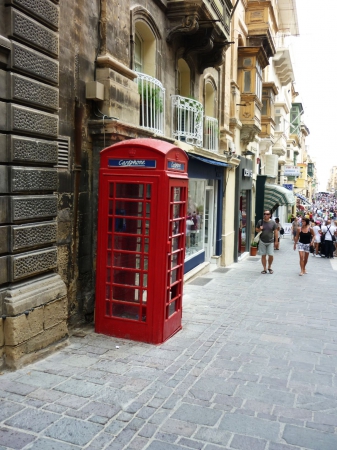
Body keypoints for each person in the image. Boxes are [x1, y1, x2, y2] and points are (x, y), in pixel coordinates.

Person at [256, 210, 278, 274]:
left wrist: (276, 241)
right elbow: (256, 230)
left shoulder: (273, 223)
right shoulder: (260, 222)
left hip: (270, 241)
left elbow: (276, 232)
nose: (265, 215)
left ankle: (269, 267)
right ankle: (264, 269)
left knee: (271, 255)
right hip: (262, 241)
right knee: (263, 255)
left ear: (270, 215)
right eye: (264, 214)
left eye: (267, 214)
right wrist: (260, 229)